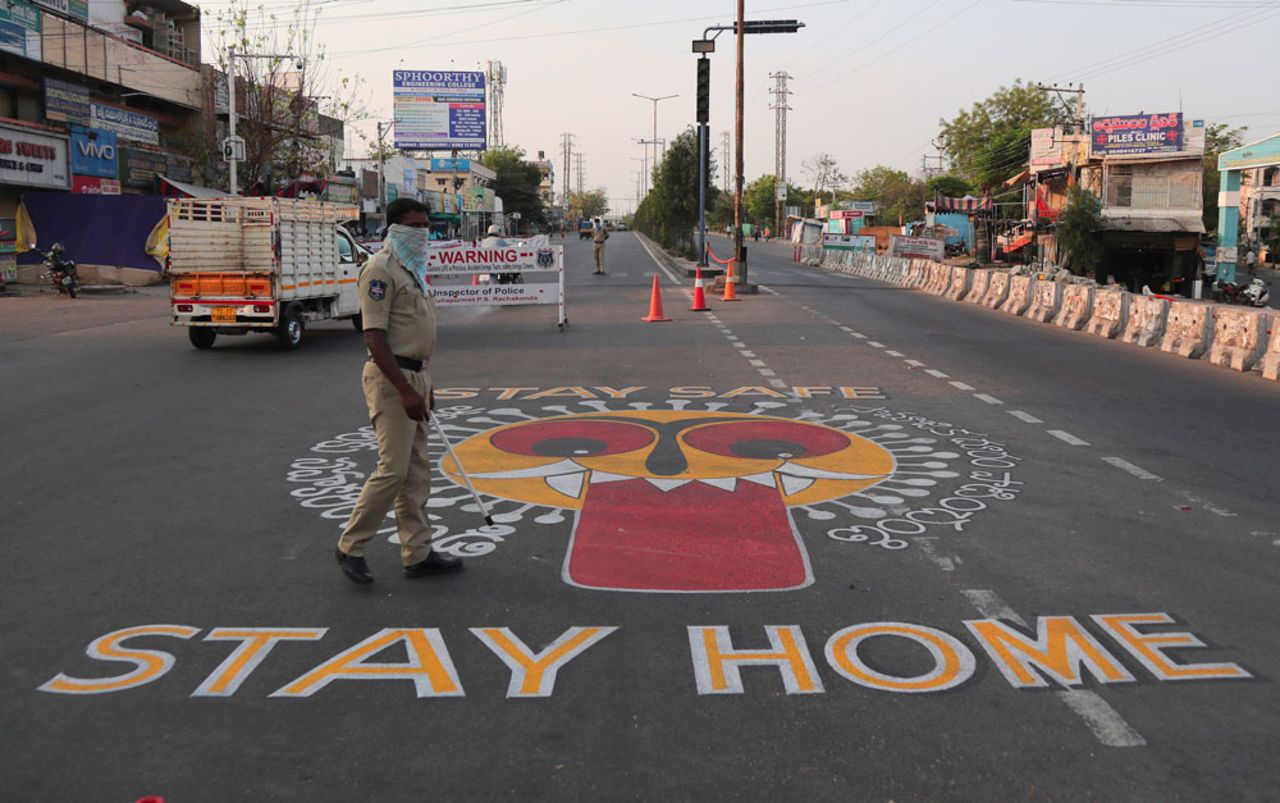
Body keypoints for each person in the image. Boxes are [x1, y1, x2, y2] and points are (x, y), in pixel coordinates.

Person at [334, 197, 462, 585]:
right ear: (394, 228)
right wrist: (406, 389)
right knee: (393, 470)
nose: (422, 232)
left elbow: (415, 334)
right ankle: (350, 547)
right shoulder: (379, 269)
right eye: (414, 225)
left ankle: (418, 553)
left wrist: (425, 385)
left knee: (417, 471)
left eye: (426, 225)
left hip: (416, 376)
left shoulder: (414, 270)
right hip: (392, 380)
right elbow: (375, 337)